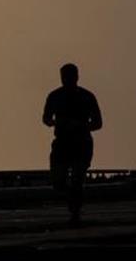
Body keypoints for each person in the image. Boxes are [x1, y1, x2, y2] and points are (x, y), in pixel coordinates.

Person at [42, 63, 103, 227]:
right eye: (65, 77)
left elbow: (98, 123)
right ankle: (72, 203)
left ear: (77, 77)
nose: (67, 80)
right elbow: (46, 118)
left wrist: (80, 126)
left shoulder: (87, 96)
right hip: (62, 142)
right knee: (58, 180)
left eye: (70, 76)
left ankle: (75, 212)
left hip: (81, 142)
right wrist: (56, 123)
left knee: (77, 178)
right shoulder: (54, 96)